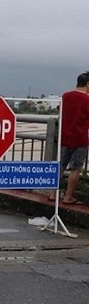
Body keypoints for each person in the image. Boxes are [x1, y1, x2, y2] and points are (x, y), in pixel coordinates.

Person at [51, 71, 89, 205]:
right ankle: (68, 196)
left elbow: (59, 109)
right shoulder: (87, 99)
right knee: (75, 168)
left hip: (65, 136)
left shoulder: (66, 96)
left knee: (61, 165)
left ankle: (53, 193)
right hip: (80, 138)